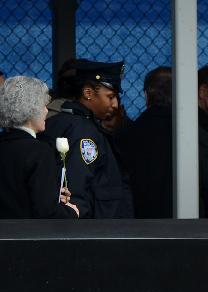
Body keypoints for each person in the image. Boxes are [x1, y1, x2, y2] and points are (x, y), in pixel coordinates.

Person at [40, 59, 133, 218]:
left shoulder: (69, 122)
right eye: (110, 97)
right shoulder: (82, 130)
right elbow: (76, 185)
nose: (115, 104)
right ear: (88, 93)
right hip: (96, 228)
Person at [0, 75, 78, 218]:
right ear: (31, 109)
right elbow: (46, 212)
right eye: (43, 105)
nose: (47, 111)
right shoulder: (39, 152)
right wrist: (71, 212)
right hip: (25, 237)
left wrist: (53, 194)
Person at [117, 66, 173, 218]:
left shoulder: (131, 132)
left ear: (147, 96)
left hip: (141, 219)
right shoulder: (194, 133)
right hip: (191, 224)